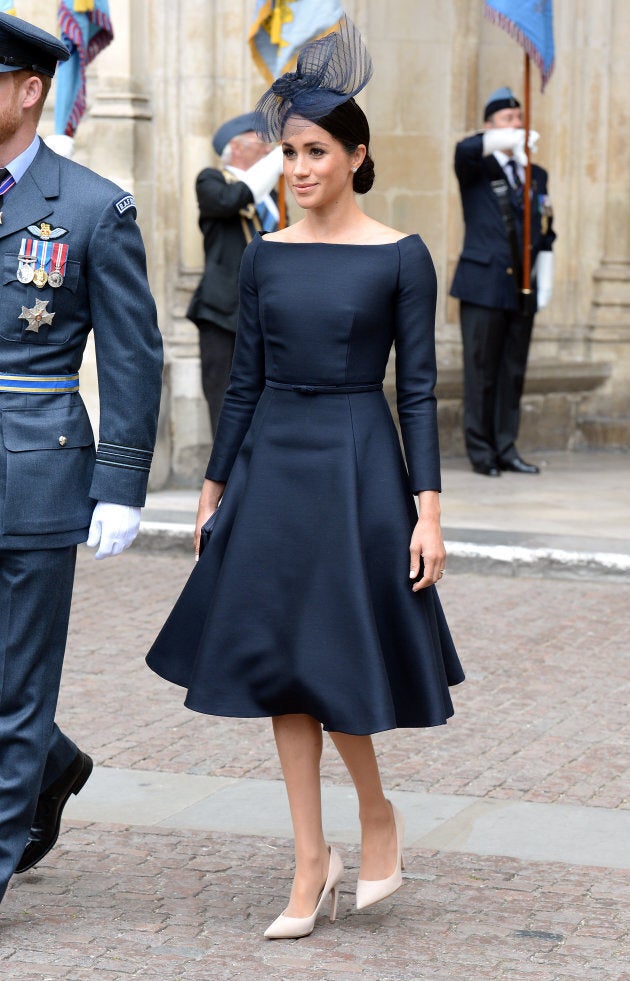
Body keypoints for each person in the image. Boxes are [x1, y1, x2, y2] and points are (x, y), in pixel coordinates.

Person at [147, 16, 463, 939]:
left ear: (357, 156)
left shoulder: (402, 254)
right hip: (273, 465)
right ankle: (307, 858)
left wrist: (427, 512)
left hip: (360, 465)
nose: (299, 166)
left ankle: (376, 816)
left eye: (317, 150)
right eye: (289, 151)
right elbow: (242, 380)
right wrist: (214, 487)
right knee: (281, 669)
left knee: (333, 659)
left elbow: (417, 391)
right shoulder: (266, 254)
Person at [0, 12, 163, 904]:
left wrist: (122, 480)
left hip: (34, 467)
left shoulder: (94, 207)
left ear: (31, 91)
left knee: (17, 684)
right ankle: (51, 766)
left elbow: (134, 353)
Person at [450, 86, 556, 476]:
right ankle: (481, 451)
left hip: (521, 288)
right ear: (490, 127)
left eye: (519, 120)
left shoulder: (535, 174)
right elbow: (464, 150)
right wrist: (501, 141)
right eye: (508, 120)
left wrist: (544, 278)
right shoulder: (477, 168)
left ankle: (506, 446)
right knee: (481, 371)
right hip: (482, 283)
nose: (517, 125)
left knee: (512, 371)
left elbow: (545, 229)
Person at [186, 112, 284, 433]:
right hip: (222, 312)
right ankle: (225, 478)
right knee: (224, 399)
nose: (270, 149)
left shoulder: (271, 195)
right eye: (263, 142)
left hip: (265, 310)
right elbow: (231, 200)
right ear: (236, 146)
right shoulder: (211, 180)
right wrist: (274, 164)